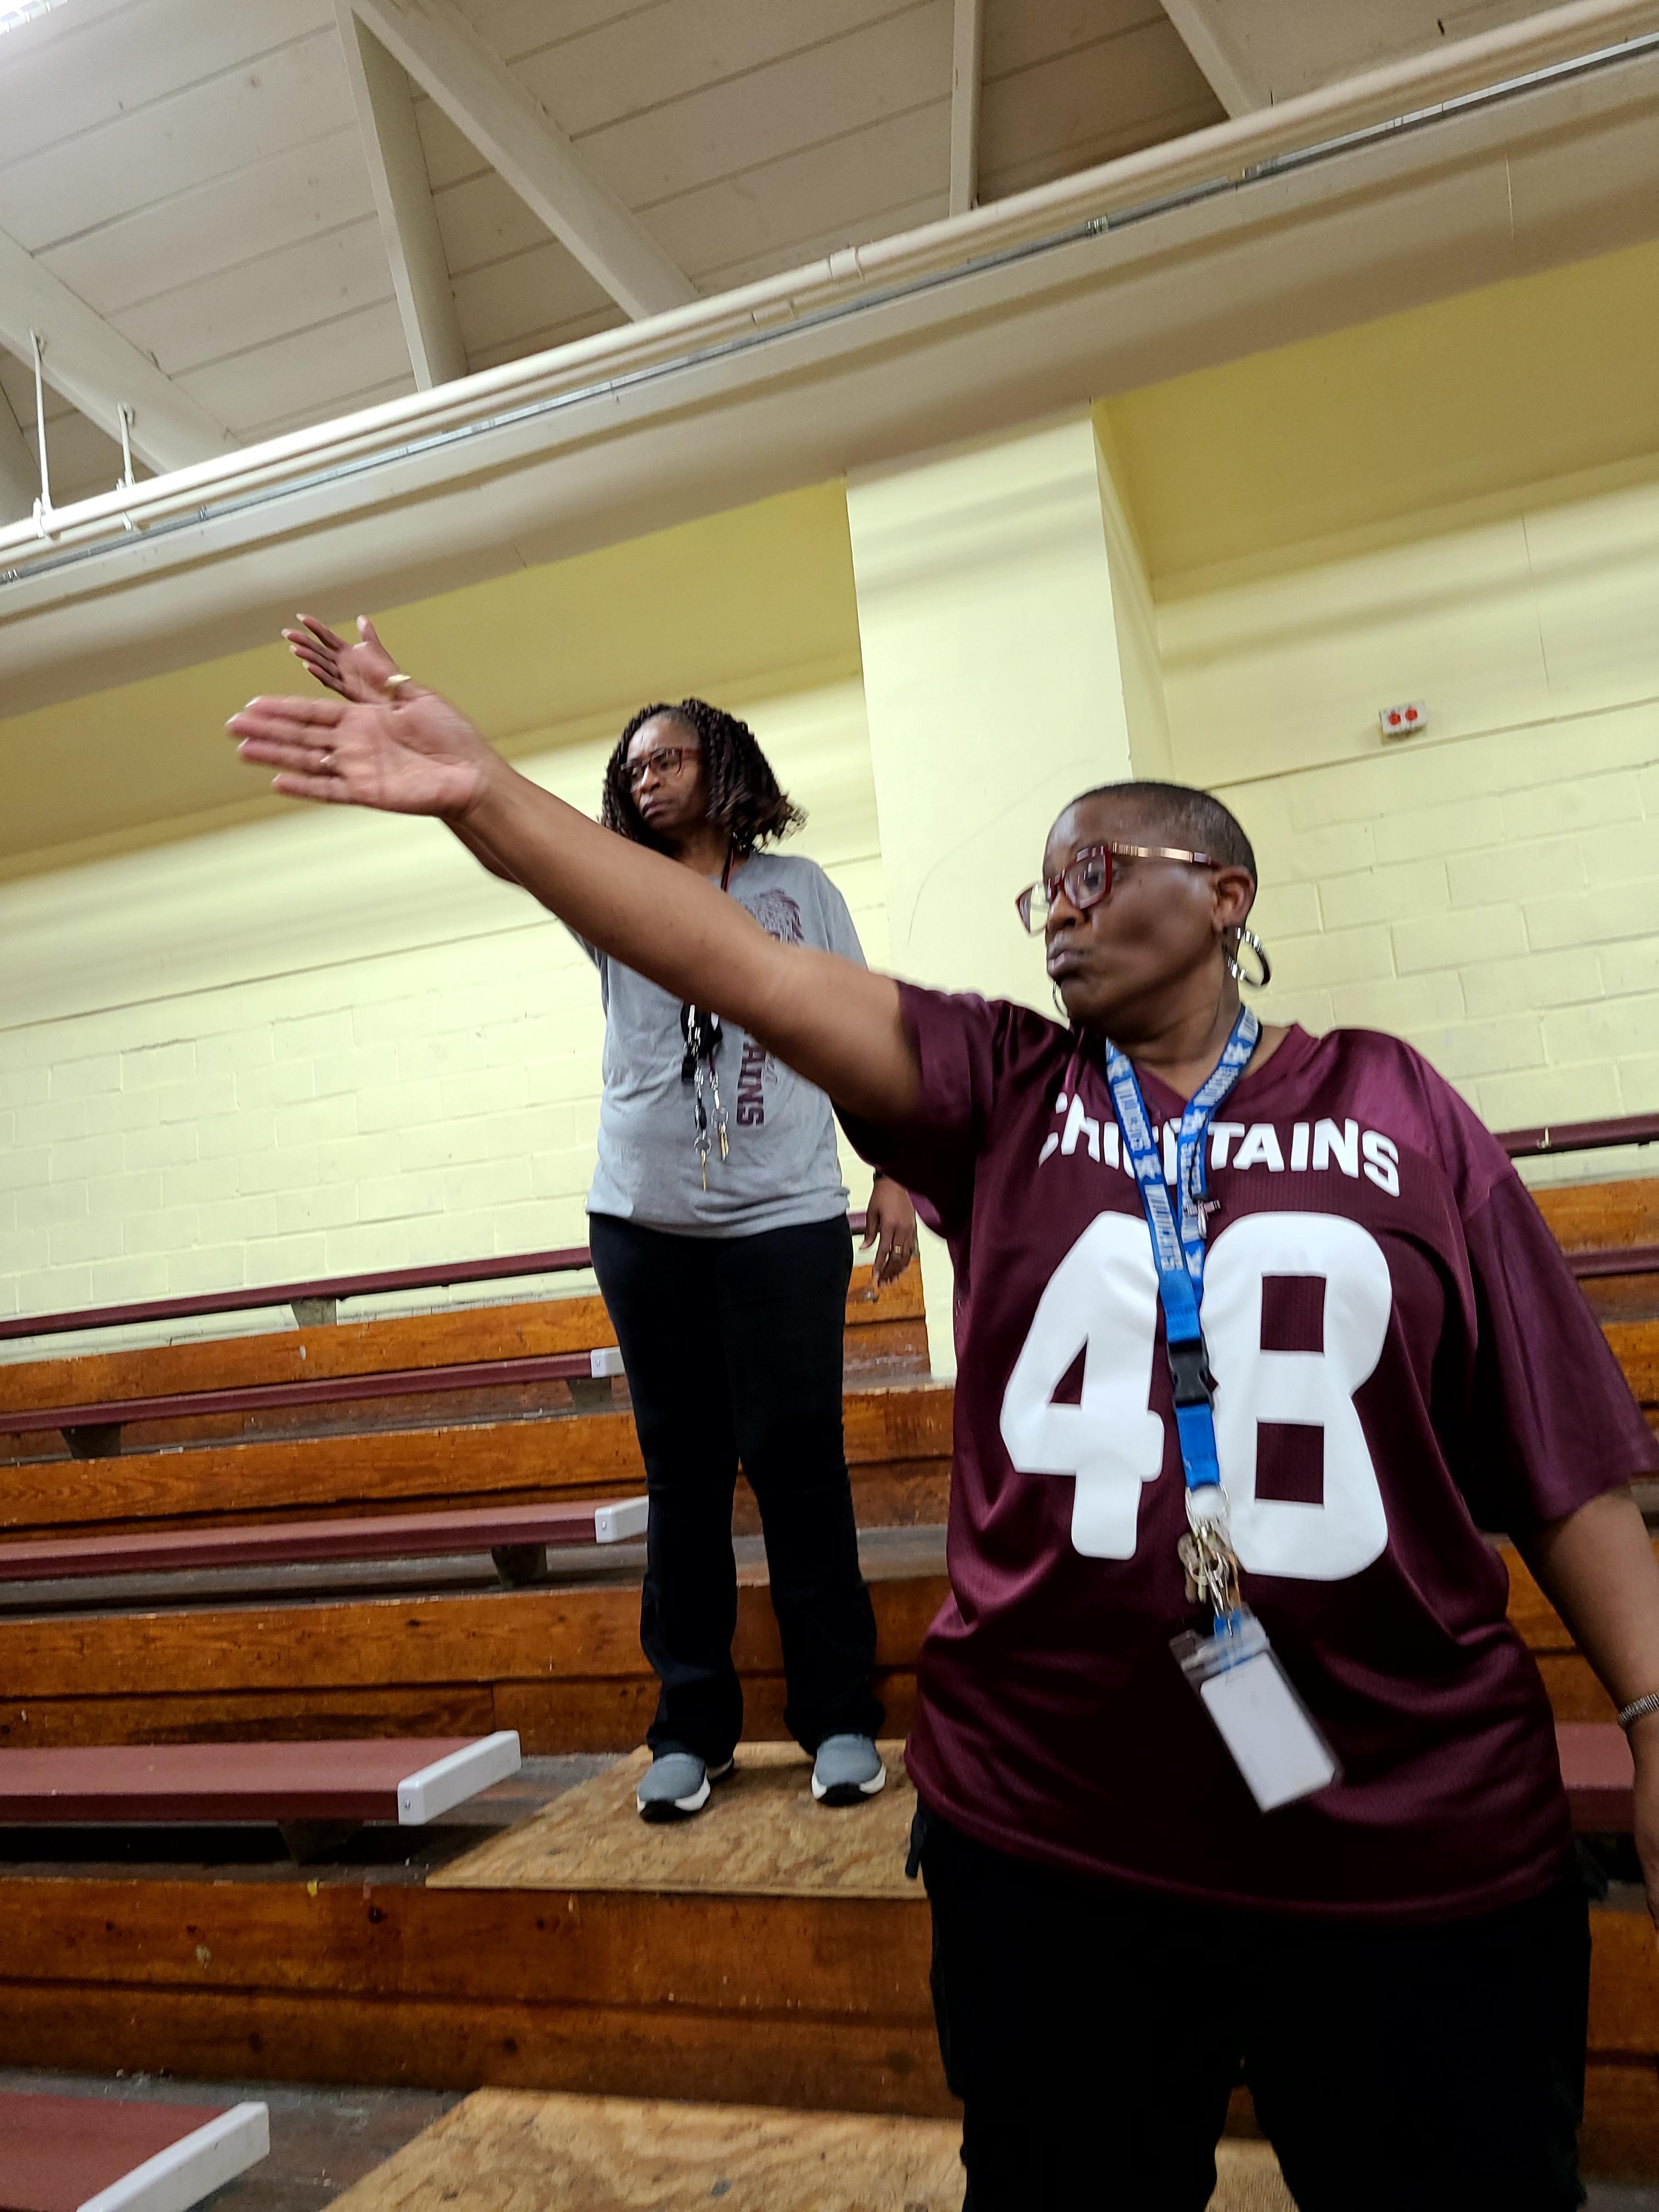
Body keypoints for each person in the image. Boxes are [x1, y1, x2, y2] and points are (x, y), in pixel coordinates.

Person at [230, 672, 1659, 2211]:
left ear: (1224, 893)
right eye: (1042, 889)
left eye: (1093, 869)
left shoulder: (1399, 1103)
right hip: (1058, 1837)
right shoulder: (1002, 1090)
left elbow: (1563, 1455)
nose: (1059, 908)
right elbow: (732, 958)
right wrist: (486, 797)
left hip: (1407, 1839)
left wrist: (1654, 1718)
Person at [279, 618, 916, 1821]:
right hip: (646, 1225)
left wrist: (890, 1167)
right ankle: (691, 1728)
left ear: (725, 766)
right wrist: (444, 766)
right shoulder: (611, 885)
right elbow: (516, 844)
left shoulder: (800, 893)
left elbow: (856, 1030)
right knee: (684, 1478)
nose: (648, 776)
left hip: (784, 1220)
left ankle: (839, 1719)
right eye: (634, 767)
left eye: (670, 757)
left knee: (799, 1466)